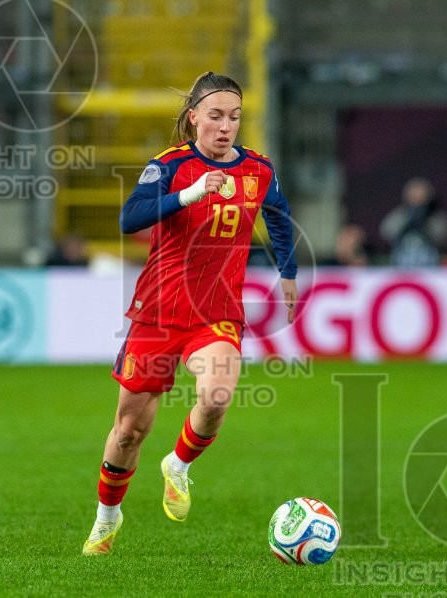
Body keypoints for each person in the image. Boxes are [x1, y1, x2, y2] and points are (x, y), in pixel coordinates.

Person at [82, 72, 298, 556]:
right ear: (194, 116)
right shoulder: (170, 165)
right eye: (216, 116)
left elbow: (279, 215)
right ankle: (107, 518)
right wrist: (191, 193)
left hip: (215, 313)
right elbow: (129, 218)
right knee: (128, 431)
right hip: (158, 311)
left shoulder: (258, 170)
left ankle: (178, 466)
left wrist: (288, 271)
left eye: (235, 117)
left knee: (218, 395)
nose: (226, 127)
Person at [379, 177, 447, 267]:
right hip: (401, 262)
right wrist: (408, 219)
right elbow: (386, 231)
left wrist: (425, 224)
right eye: (414, 194)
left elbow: (442, 236)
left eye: (421, 194)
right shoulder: (401, 213)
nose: (418, 198)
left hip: (430, 263)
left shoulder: (435, 215)